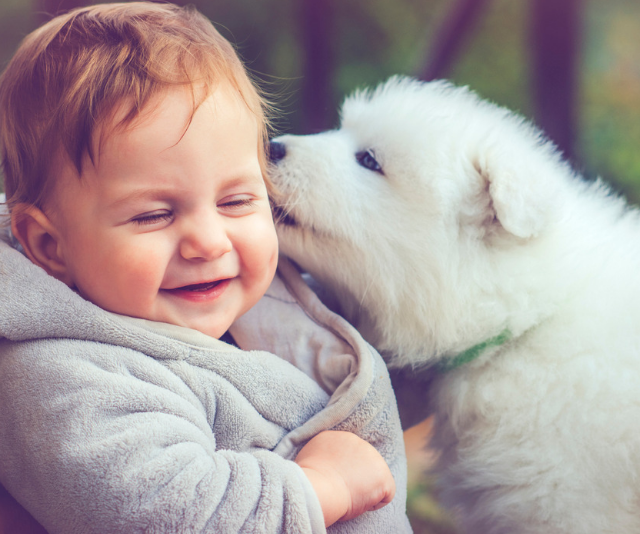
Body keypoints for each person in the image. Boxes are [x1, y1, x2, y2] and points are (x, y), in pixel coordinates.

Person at [0, 3, 412, 533]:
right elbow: (164, 515)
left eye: (238, 201)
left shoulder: (269, 299)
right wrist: (322, 487)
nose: (208, 242)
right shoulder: (65, 379)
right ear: (49, 246)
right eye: (154, 214)